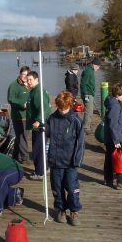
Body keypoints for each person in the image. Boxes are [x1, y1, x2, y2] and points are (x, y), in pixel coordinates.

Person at [43, 91, 85, 226]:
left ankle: (74, 211)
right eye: (59, 108)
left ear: (69, 105)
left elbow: (80, 143)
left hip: (70, 162)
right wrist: (41, 128)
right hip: (55, 160)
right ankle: (61, 209)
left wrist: (77, 160)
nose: (61, 111)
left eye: (64, 108)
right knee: (57, 187)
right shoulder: (52, 118)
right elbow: (47, 133)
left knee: (72, 187)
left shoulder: (76, 120)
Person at [104, 84, 122, 191]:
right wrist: (116, 140)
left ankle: (108, 179)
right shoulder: (115, 106)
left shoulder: (111, 101)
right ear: (119, 95)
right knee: (121, 158)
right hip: (115, 138)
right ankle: (121, 182)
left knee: (109, 158)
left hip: (109, 136)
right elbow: (113, 124)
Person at [25, 71, 52, 180]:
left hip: (40, 126)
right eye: (27, 80)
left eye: (30, 79)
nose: (28, 82)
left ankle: (40, 173)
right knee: (40, 149)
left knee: (37, 150)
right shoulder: (34, 91)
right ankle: (45, 168)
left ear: (37, 80)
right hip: (37, 125)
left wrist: (39, 121)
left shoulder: (38, 92)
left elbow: (44, 108)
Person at [7, 66, 31, 163]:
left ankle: (15, 156)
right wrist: (22, 103)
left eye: (27, 74)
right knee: (23, 137)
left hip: (29, 116)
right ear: (20, 74)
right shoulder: (13, 85)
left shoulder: (30, 84)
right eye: (23, 74)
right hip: (18, 117)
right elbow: (10, 99)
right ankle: (25, 158)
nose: (25, 76)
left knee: (20, 137)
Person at [80, 57, 101, 134]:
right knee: (89, 111)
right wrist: (85, 95)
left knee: (89, 111)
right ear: (94, 64)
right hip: (88, 94)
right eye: (98, 66)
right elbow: (83, 84)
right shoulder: (88, 71)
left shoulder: (90, 70)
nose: (98, 68)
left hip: (89, 93)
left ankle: (85, 126)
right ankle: (86, 128)